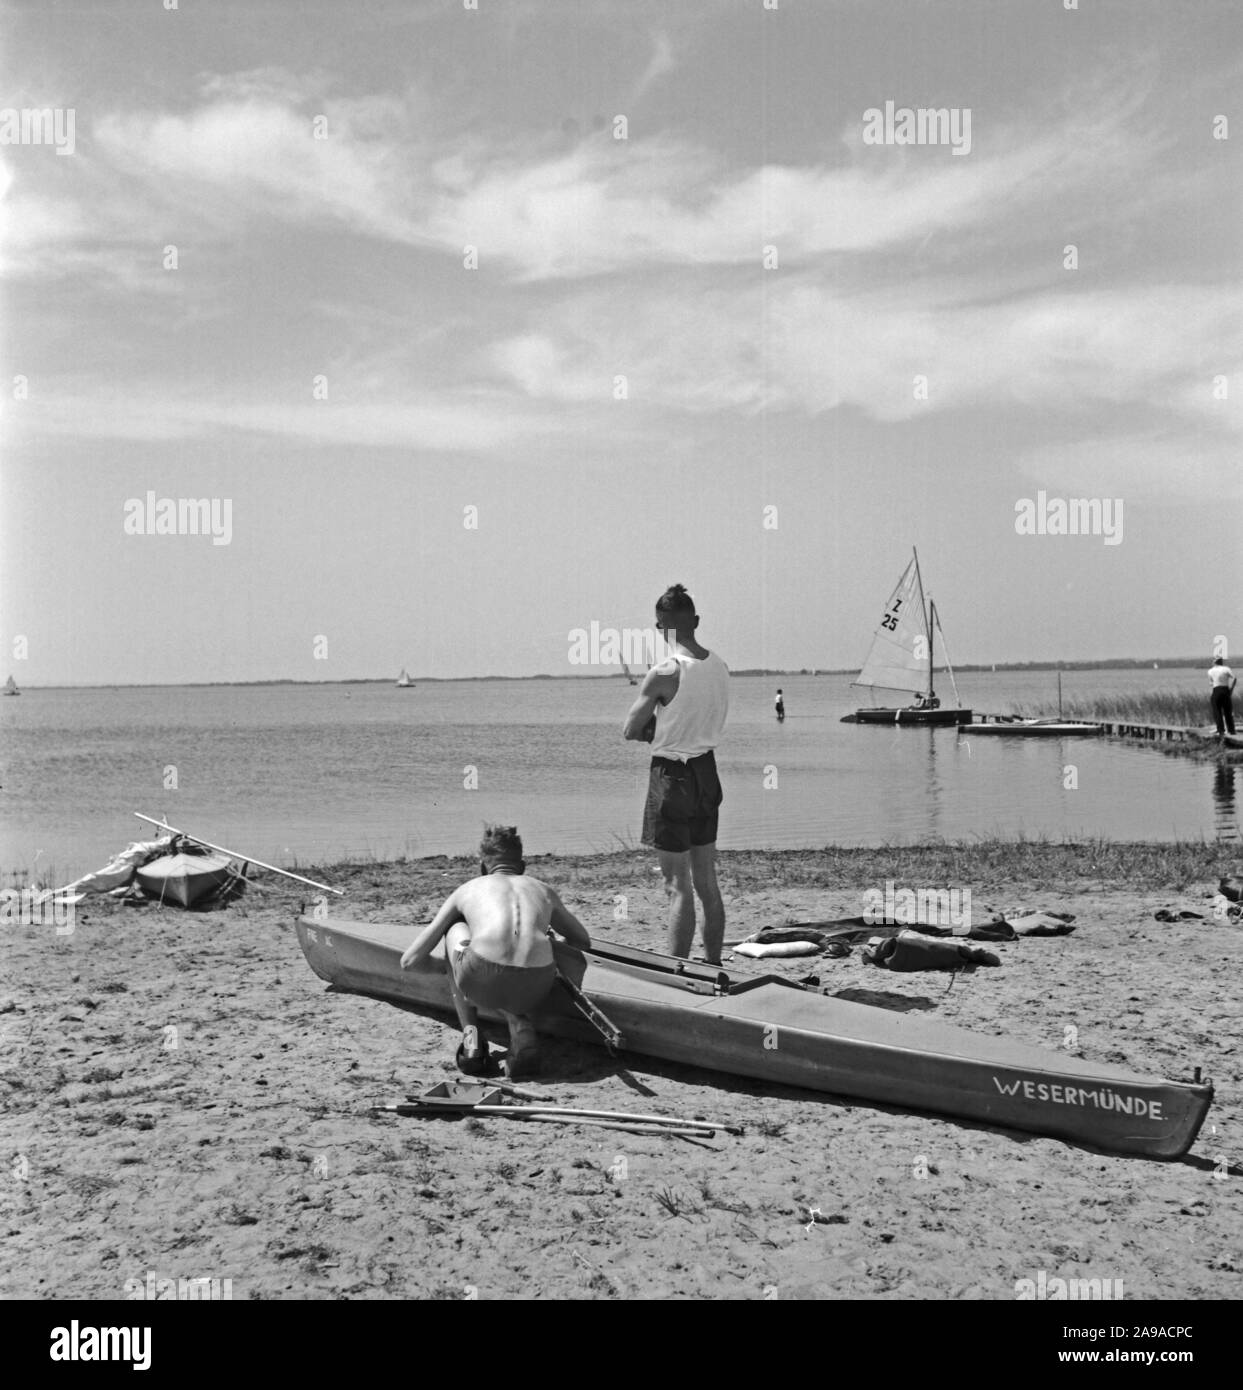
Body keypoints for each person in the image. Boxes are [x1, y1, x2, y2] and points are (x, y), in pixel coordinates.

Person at [399, 824, 591, 1078]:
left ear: (482, 868)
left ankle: (473, 1045)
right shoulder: (543, 890)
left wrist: (448, 968)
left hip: (482, 975)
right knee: (531, 950)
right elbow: (582, 941)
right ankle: (518, 1019)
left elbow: (410, 961)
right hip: (537, 985)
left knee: (454, 929)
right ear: (522, 867)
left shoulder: (469, 889)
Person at [623, 584, 730, 964]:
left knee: (677, 885)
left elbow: (631, 730)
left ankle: (679, 969)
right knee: (706, 881)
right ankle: (713, 962)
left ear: (659, 628)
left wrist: (656, 725)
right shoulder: (720, 666)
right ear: (696, 621)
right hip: (707, 772)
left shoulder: (665, 671)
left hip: (672, 776)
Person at [1209, 656, 1237, 735]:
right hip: (1225, 690)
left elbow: (1211, 683)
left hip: (1216, 690)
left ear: (1214, 662)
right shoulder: (1226, 669)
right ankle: (1231, 730)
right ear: (1221, 662)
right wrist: (1231, 689)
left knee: (1217, 711)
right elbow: (1234, 678)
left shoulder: (1210, 671)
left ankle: (1220, 730)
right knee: (1228, 711)